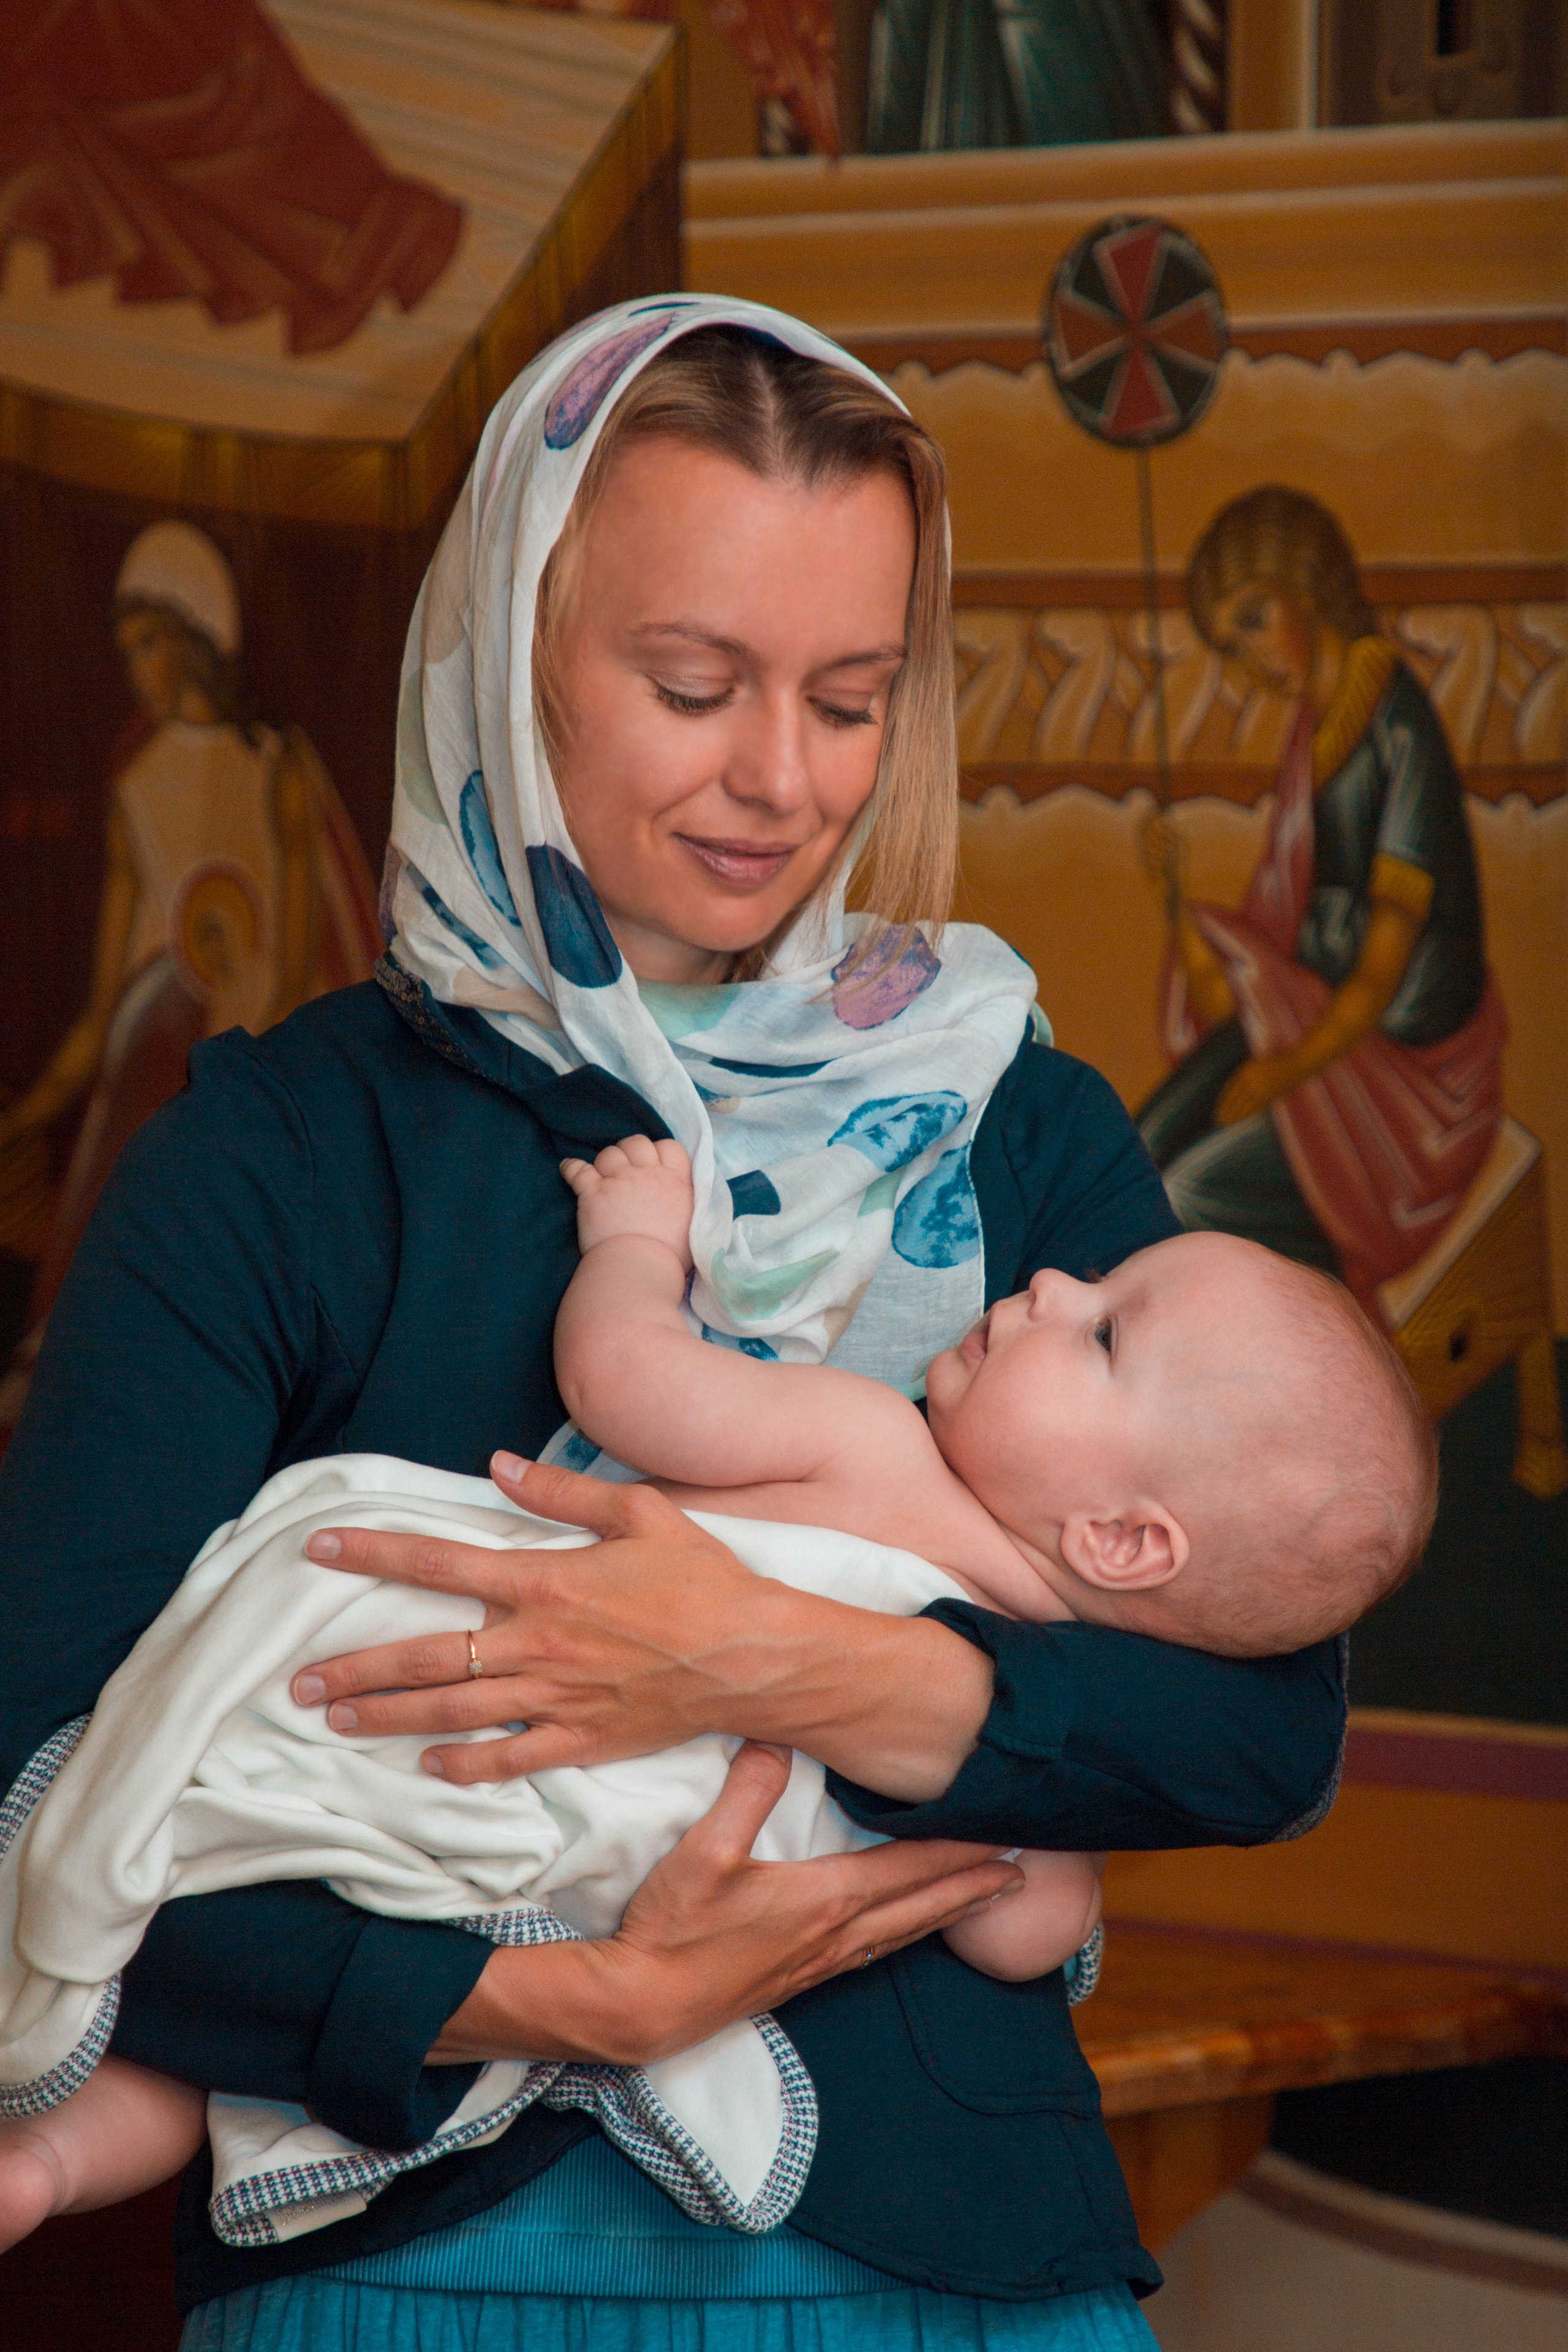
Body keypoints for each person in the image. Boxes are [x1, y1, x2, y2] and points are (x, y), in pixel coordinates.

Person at [0, 301, 1347, 2351]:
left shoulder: (1009, 1119)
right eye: (695, 685)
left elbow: (1260, 1719)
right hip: (417, 2273)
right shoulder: (281, 1153)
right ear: (513, 648)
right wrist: (568, 1996)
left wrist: (790, 1664)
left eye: (851, 699)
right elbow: (39, 1788)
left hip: (967, 2265)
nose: (781, 781)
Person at [0, 522, 380, 1430]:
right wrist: (24, 1117)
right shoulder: (137, 788)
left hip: (250, 1091)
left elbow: (294, 976)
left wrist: (233, 1109)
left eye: (150, 642)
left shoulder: (277, 767)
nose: (136, 669)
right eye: (126, 648)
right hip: (148, 1083)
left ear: (198, 632)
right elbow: (103, 1014)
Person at [1137, 485, 1507, 1318]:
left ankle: (1304, 1355)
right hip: (1313, 1021)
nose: (1252, 660)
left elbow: (1378, 976)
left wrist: (1282, 1073)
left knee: (1187, 1198)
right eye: (1231, 645)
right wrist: (1180, 911)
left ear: (1309, 585)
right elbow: (1268, 958)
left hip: (1405, 1080)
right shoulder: (1317, 731)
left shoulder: (1397, 729)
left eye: (1256, 619)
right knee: (1133, 1158)